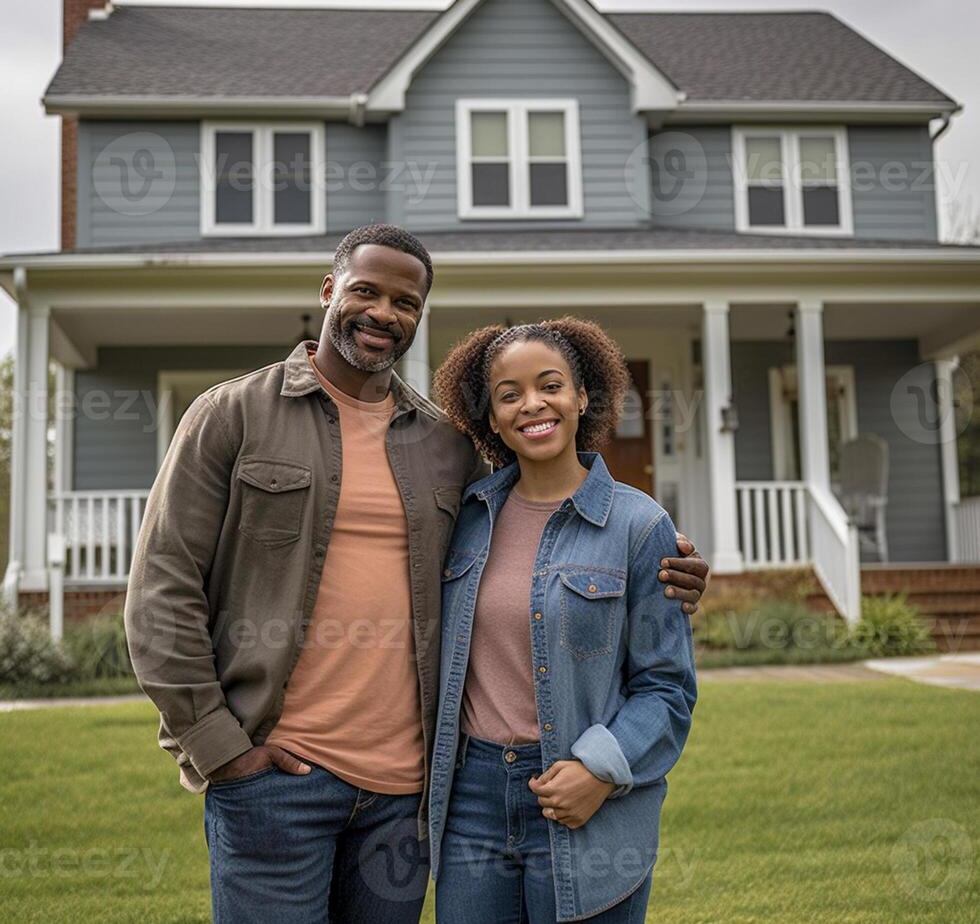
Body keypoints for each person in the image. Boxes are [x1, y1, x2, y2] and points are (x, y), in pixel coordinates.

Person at [124, 224, 708, 923]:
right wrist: (221, 749)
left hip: (407, 797)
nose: (382, 312)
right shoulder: (232, 415)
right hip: (275, 781)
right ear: (328, 291)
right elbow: (161, 594)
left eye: (405, 301)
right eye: (365, 290)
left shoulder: (443, 447)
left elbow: (556, 534)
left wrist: (670, 571)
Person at [428, 318, 698, 923]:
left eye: (550, 385)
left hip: (582, 798)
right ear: (491, 419)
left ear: (581, 396)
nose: (533, 405)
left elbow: (667, 687)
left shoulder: (639, 525)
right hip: (470, 803)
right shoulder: (464, 520)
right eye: (509, 395)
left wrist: (601, 769)